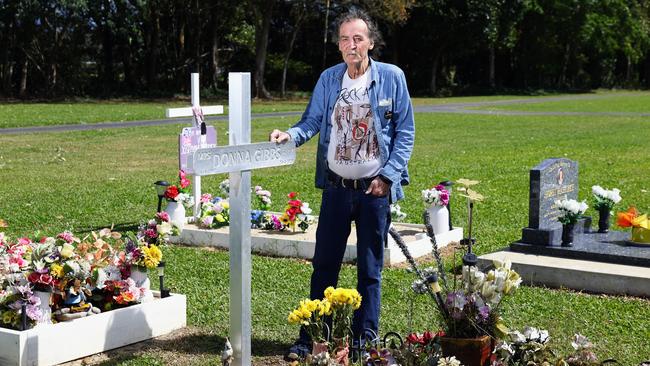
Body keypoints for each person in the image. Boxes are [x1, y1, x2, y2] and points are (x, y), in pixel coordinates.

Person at [270, 8, 415, 360]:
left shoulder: (392, 77)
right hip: (336, 189)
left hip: (373, 192)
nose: (352, 45)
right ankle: (313, 338)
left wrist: (387, 177)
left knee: (370, 271)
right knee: (324, 266)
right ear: (339, 45)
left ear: (370, 42)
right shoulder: (329, 79)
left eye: (358, 38)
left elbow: (405, 132)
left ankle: (365, 343)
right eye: (345, 39)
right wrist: (288, 136)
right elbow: (311, 122)